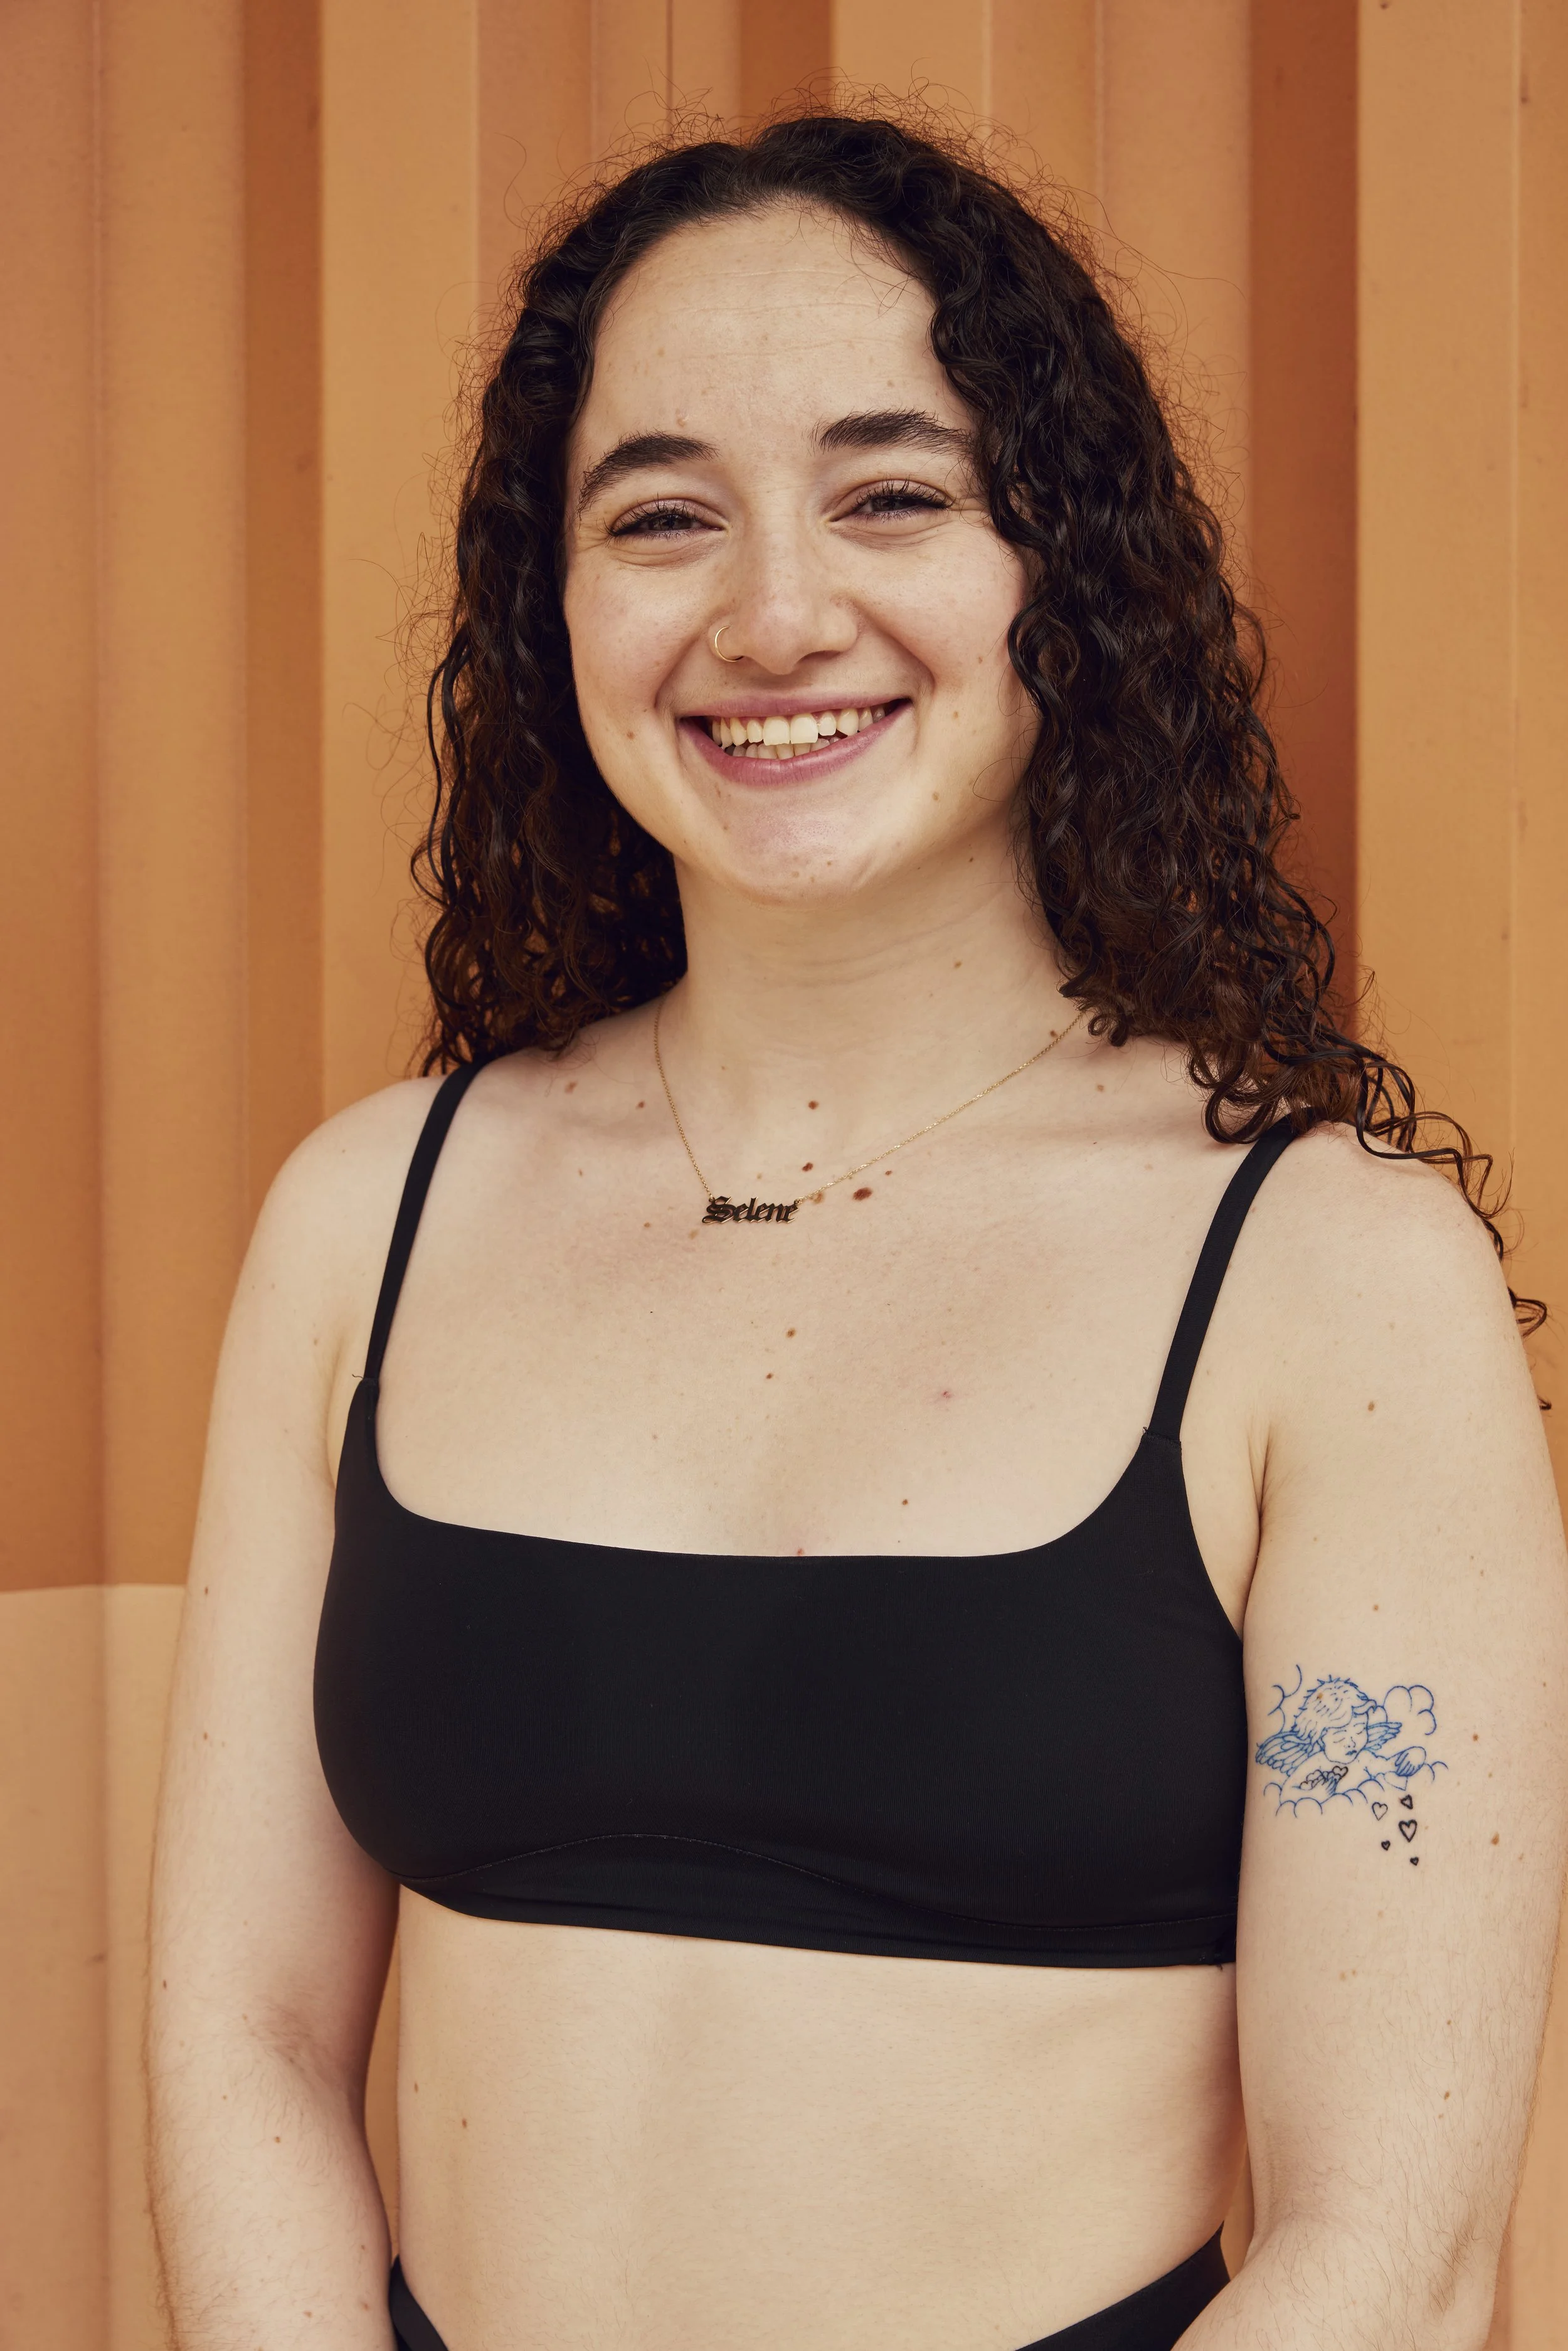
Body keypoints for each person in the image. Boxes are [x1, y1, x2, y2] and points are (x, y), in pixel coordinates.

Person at [147, 112, 1568, 2351]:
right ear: (561, 607)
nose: (774, 612)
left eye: (891, 492)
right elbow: (247, 2038)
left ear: (1059, 573)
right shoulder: (367, 1219)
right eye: (661, 517)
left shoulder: (1326, 1277)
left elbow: (1388, 2250)